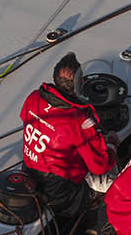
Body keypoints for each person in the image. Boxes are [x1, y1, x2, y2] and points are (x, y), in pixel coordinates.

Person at [19, 52, 113, 219]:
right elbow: (100, 165)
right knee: (106, 183)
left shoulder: (33, 97)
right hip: (60, 188)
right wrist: (112, 145)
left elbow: (25, 118)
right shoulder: (78, 120)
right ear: (79, 84)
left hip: (28, 169)